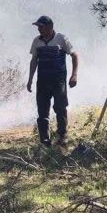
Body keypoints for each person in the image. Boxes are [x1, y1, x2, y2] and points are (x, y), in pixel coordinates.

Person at [26, 16, 78, 146]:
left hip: (58, 80)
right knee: (42, 110)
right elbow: (34, 60)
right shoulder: (37, 41)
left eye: (41, 27)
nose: (38, 29)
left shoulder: (61, 38)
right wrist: (30, 79)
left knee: (60, 107)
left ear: (50, 26)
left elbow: (74, 55)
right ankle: (45, 139)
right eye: (38, 27)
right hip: (42, 81)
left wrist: (74, 75)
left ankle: (62, 136)